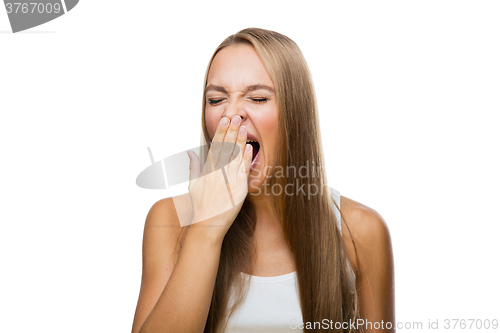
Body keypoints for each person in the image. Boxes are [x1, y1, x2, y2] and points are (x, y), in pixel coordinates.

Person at [131, 28, 395, 333]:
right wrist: (205, 231)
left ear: (295, 113)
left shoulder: (360, 231)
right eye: (216, 100)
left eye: (257, 98)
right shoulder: (170, 222)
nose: (230, 114)